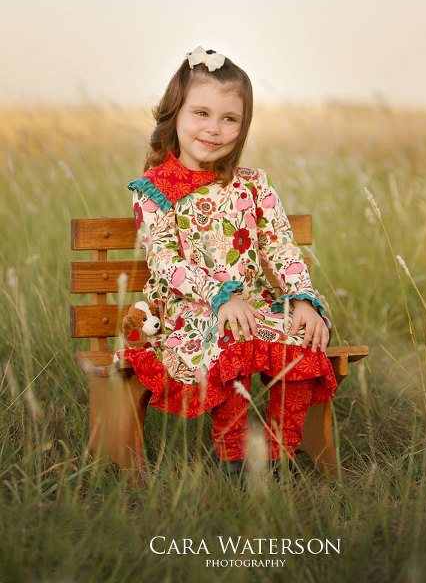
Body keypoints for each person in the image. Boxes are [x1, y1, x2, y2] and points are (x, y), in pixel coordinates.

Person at [117, 46, 337, 478]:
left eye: (229, 118)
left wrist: (303, 300)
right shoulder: (155, 189)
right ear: (174, 114)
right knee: (233, 332)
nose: (213, 129)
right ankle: (234, 458)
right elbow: (164, 263)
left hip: (254, 302)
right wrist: (220, 298)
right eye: (200, 113)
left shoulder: (255, 185)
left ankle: (279, 454)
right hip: (191, 311)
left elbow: (280, 248)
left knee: (301, 337)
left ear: (244, 125)